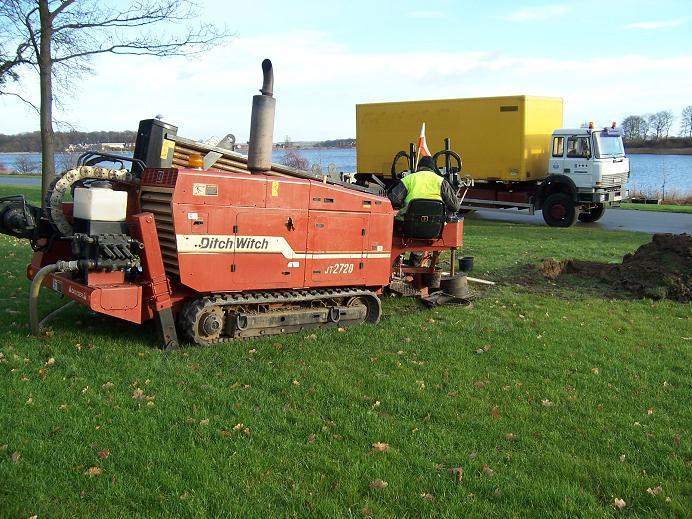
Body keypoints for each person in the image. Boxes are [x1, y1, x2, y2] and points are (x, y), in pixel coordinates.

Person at [387, 155, 460, 217]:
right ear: (434, 169)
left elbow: (394, 200)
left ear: (418, 167)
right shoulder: (441, 181)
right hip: (435, 226)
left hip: (410, 224)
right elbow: (454, 206)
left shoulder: (408, 179)